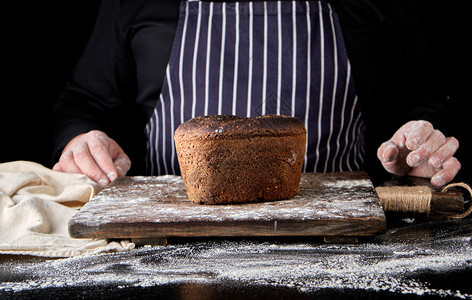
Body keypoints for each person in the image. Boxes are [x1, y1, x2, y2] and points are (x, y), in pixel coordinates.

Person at [52, 0, 461, 188]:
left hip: (333, 240)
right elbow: (84, 101)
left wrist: (420, 142)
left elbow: (429, 99)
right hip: (166, 242)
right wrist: (82, 138)